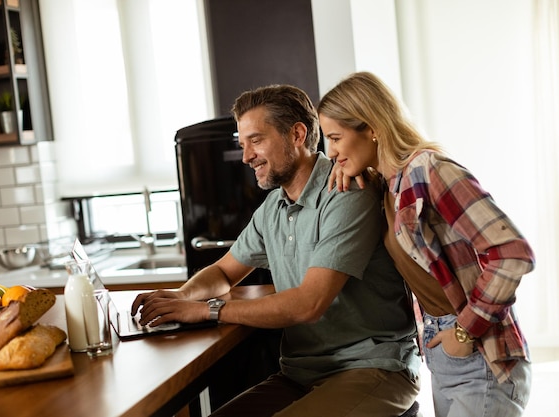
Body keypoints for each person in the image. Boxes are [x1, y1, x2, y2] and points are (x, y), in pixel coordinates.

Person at [131, 84, 421, 416]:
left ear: (297, 134)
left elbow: (309, 304)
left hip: (373, 367)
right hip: (301, 374)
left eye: (256, 140)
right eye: (242, 145)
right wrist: (183, 297)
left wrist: (206, 310)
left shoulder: (346, 192)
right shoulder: (274, 207)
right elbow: (224, 271)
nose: (245, 157)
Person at [318, 71, 535, 417]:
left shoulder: (428, 170)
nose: (330, 152)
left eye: (334, 138)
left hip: (479, 352)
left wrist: (463, 333)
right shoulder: (389, 185)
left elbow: (512, 253)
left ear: (371, 127)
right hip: (439, 350)